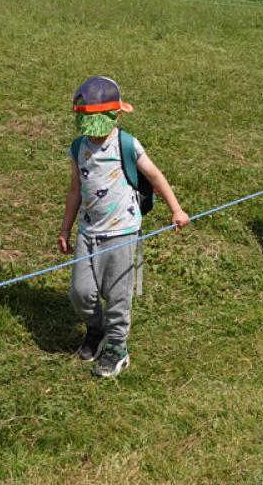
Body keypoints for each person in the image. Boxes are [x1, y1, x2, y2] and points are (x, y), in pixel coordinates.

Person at [57, 76, 190, 377]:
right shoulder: (79, 147)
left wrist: (176, 209)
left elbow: (155, 177)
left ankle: (117, 347)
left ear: (115, 115)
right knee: (80, 293)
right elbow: (75, 190)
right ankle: (96, 329)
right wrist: (65, 229)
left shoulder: (126, 144)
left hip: (121, 233)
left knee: (117, 295)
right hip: (88, 232)